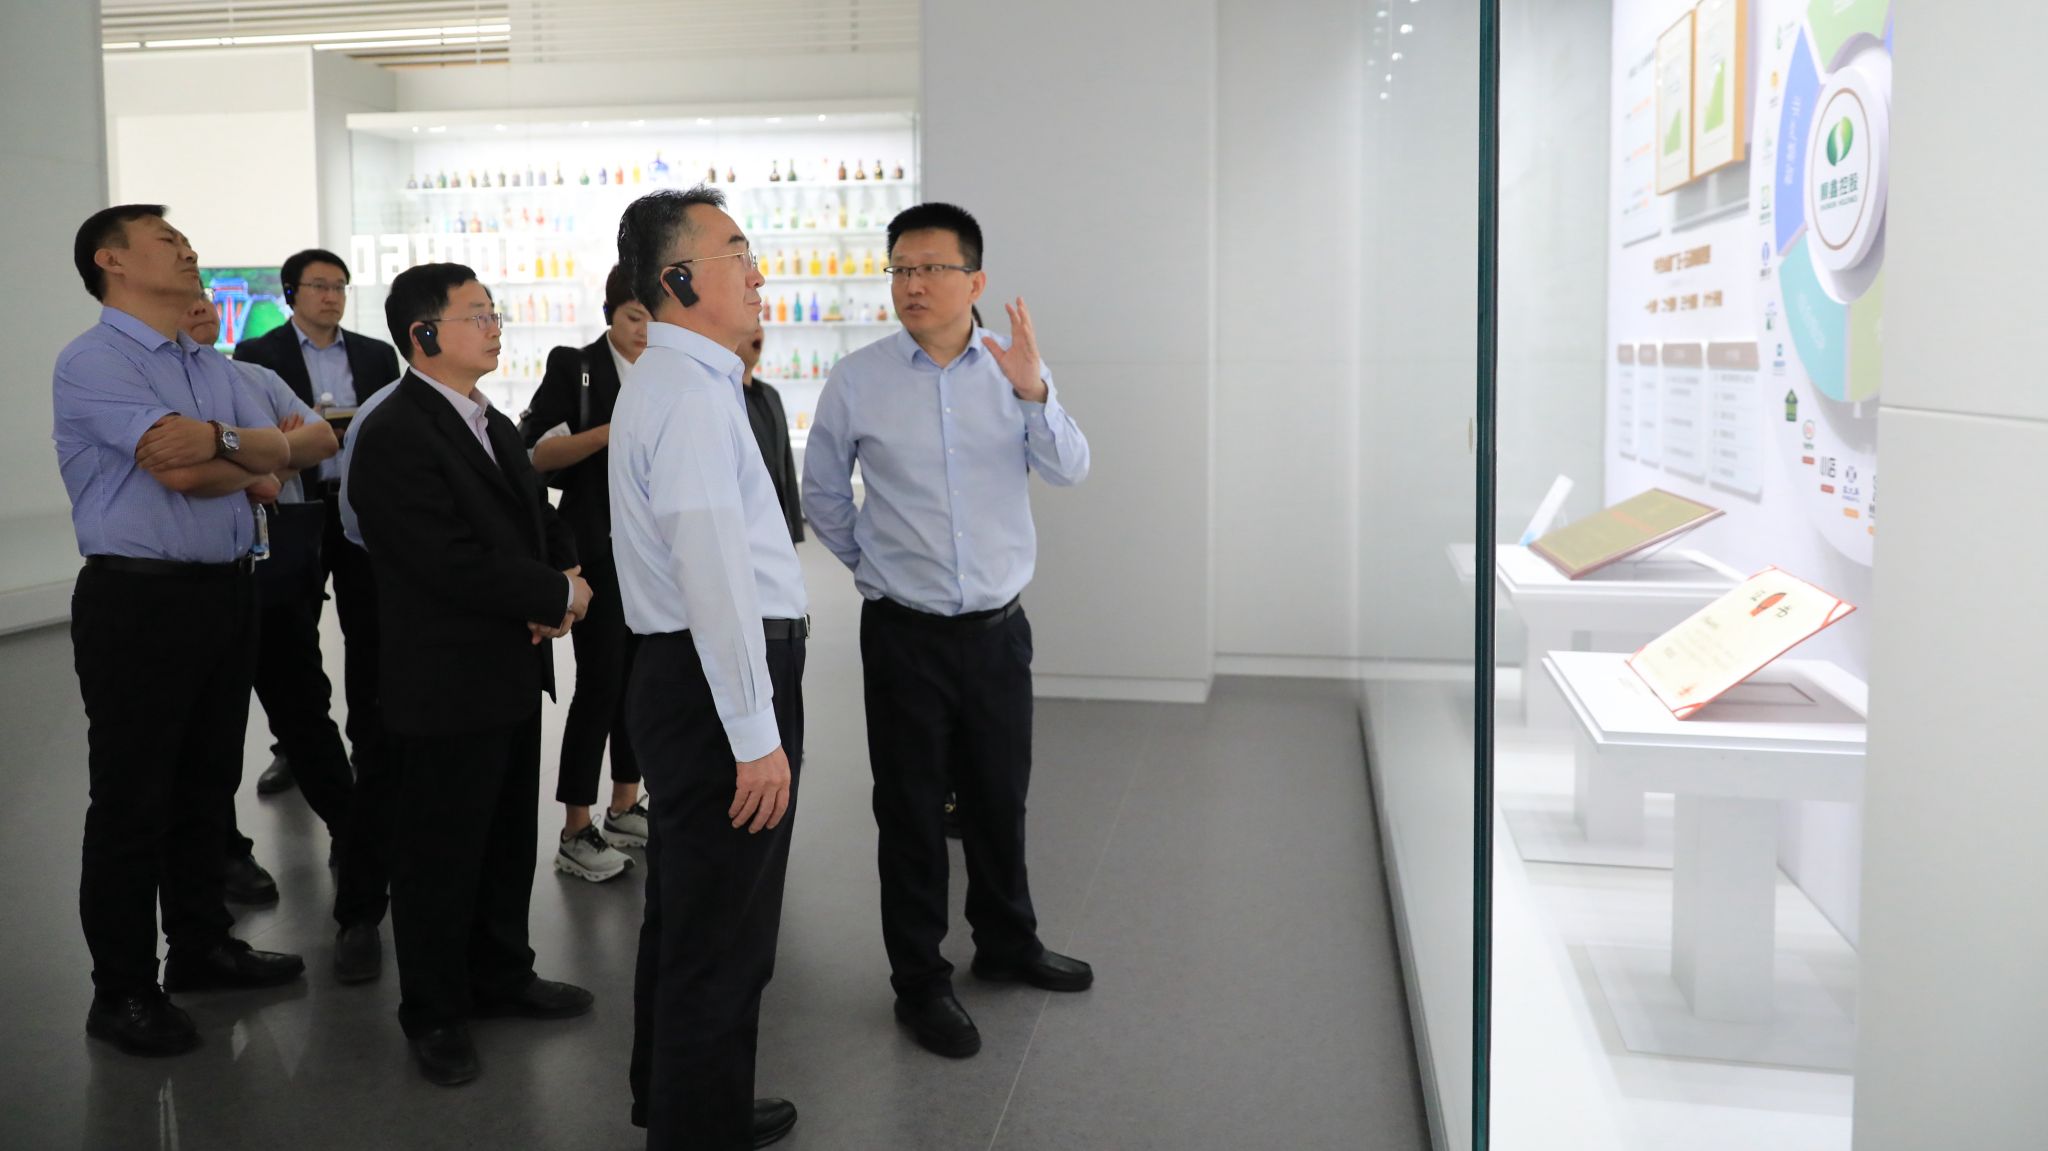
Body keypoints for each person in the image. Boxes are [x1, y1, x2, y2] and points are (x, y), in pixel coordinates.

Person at [802, 202, 1095, 1060]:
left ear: (975, 280)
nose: (913, 284)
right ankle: (920, 981)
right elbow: (823, 494)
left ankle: (1007, 942)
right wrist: (875, 568)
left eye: (931, 268)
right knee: (910, 810)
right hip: (904, 635)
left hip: (998, 633)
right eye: (900, 269)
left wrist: (1036, 392)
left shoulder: (1013, 369)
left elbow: (1070, 468)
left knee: (1000, 797)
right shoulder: (857, 378)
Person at [56, 204, 307, 1057]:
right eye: (167, 240)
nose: (188, 249)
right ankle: (122, 989)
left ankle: (200, 946)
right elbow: (179, 467)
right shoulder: (92, 360)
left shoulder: (208, 363)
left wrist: (234, 447)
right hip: (139, 601)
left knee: (207, 784)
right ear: (112, 261)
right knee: (134, 799)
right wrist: (250, 457)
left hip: (226, 591)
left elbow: (295, 448)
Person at [348, 262, 596, 1086]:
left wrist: (564, 573)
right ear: (423, 334)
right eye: (477, 314)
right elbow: (441, 559)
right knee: (438, 852)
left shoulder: (488, 418)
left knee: (503, 839)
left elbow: (536, 515)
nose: (495, 327)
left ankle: (500, 973)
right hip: (445, 678)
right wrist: (551, 593)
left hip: (509, 667)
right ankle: (435, 1010)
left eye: (494, 312)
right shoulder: (395, 432)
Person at [611, 187, 804, 1149]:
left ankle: (684, 1101)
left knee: (692, 914)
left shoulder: (683, 381)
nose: (758, 273)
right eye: (738, 253)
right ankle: (698, 1125)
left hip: (691, 676)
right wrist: (757, 735)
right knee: (724, 933)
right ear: (681, 279)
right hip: (713, 679)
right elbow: (715, 579)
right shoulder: (689, 396)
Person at [182, 297, 392, 983]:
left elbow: (323, 441)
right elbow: (179, 471)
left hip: (272, 575)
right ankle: (226, 853)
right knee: (208, 733)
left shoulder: (253, 377)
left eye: (203, 294)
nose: (200, 305)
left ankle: (355, 843)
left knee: (305, 711)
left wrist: (233, 453)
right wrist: (267, 457)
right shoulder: (157, 388)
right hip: (195, 583)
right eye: (185, 295)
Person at [233, 248, 401, 797]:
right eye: (320, 286)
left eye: (339, 287)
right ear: (291, 294)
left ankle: (370, 745)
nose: (331, 297)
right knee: (293, 632)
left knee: (369, 628)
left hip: (360, 506)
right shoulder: (259, 354)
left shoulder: (376, 355)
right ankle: (296, 748)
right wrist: (306, 437)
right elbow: (260, 433)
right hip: (294, 507)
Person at [519, 265, 650, 883]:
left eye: (653, 318)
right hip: (598, 550)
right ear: (610, 314)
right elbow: (536, 455)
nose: (645, 331)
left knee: (640, 681)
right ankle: (575, 826)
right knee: (601, 682)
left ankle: (625, 803)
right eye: (633, 317)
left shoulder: (669, 369)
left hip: (655, 554)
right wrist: (610, 432)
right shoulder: (577, 367)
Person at [735, 325, 804, 543]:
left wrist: (794, 530)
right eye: (750, 324)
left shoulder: (771, 395)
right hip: (747, 534)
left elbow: (786, 465)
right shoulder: (724, 398)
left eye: (759, 324)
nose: (757, 331)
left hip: (780, 529)